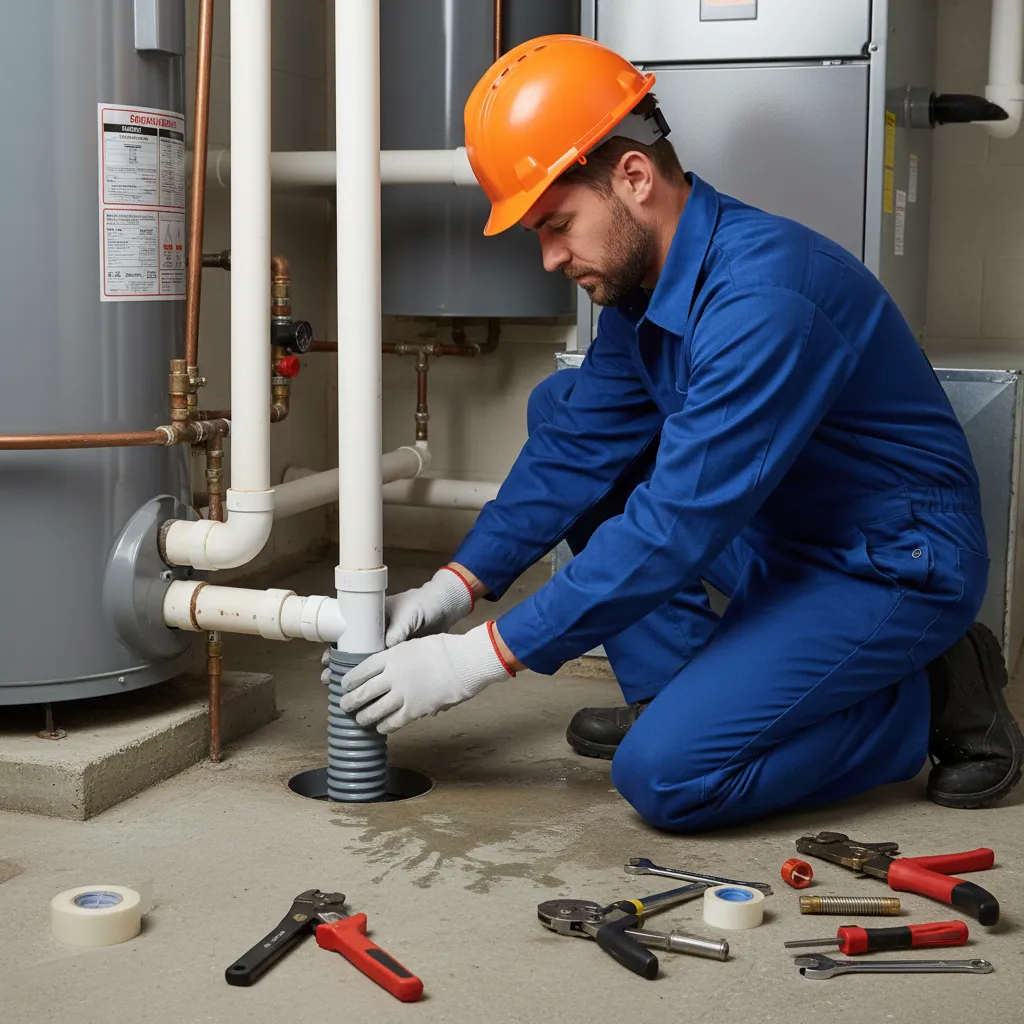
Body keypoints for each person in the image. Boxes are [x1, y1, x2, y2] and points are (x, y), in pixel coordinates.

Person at [339, 35, 1023, 831]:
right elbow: (575, 448)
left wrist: (477, 657)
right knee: (561, 406)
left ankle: (936, 690)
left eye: (557, 223)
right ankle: (682, 693)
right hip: (779, 533)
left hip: (886, 563)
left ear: (632, 176)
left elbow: (675, 528)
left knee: (668, 777)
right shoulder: (648, 289)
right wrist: (453, 586)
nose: (551, 258)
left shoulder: (764, 297)